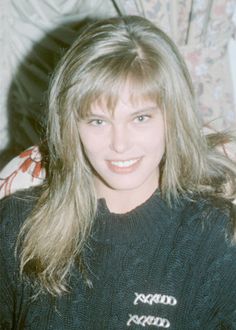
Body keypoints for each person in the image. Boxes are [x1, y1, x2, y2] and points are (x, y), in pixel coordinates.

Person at [0, 15, 236, 330]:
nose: (119, 144)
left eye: (140, 118)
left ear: (173, 118)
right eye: (98, 121)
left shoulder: (216, 236)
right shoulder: (16, 224)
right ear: (72, 127)